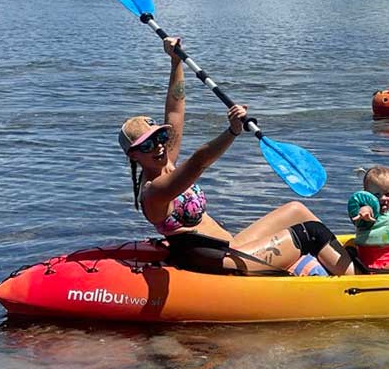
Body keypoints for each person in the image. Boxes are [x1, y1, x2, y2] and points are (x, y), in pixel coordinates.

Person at [120, 36, 355, 276]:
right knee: (311, 233)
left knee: (296, 209)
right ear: (133, 155)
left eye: (159, 138)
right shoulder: (154, 192)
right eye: (147, 145)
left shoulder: (166, 161)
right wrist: (232, 130)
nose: (158, 147)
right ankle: (356, 282)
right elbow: (199, 161)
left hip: (232, 246)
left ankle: (344, 263)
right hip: (219, 262)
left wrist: (175, 61)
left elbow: (174, 110)